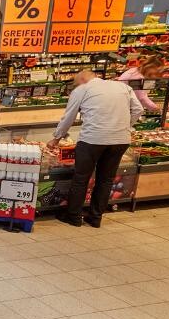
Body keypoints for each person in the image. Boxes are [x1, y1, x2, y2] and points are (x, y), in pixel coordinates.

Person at [48, 70, 142, 228]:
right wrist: (125, 126)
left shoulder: (82, 90)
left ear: (83, 79)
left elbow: (69, 117)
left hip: (92, 140)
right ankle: (95, 217)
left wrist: (56, 138)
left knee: (81, 178)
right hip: (120, 140)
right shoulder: (122, 87)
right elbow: (138, 109)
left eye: (76, 83)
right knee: (106, 180)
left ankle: (74, 216)